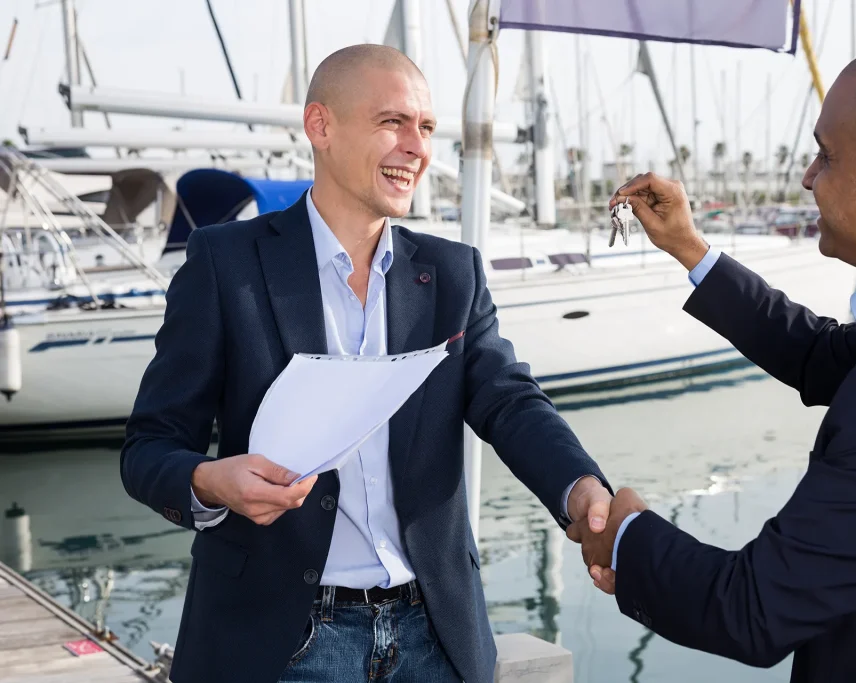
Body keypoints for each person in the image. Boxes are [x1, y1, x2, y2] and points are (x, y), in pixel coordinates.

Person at [121, 45, 613, 683]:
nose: (417, 147)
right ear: (320, 126)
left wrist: (579, 490)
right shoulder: (226, 264)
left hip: (434, 636)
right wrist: (211, 484)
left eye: (427, 128)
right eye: (392, 122)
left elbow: (509, 401)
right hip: (282, 644)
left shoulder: (454, 274)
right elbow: (150, 447)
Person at [568, 42, 856, 682]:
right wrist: (691, 250)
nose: (809, 177)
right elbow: (824, 358)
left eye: (825, 155)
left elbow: (751, 611)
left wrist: (624, 535)